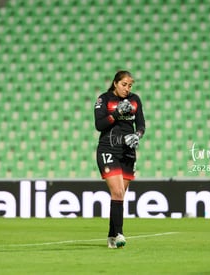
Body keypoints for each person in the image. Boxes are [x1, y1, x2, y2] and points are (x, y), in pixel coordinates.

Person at [94, 70, 146, 248]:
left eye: (130, 85)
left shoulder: (135, 100)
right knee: (117, 192)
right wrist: (116, 113)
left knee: (119, 195)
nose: (127, 88)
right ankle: (119, 234)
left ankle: (111, 237)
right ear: (115, 83)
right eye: (124, 84)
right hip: (108, 149)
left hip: (128, 152)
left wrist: (137, 135)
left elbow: (141, 124)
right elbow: (99, 124)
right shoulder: (104, 99)